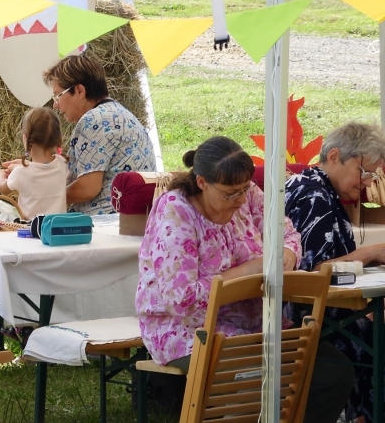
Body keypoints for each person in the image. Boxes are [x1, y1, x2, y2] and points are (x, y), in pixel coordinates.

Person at [136, 136, 353, 423]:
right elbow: (181, 298)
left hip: (255, 323)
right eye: (230, 194)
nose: (239, 200)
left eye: (243, 189)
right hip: (187, 330)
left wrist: (287, 255)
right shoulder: (176, 211)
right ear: (202, 182)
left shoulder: (247, 193)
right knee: (260, 374)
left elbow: (287, 233)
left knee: (332, 370)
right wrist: (249, 271)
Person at [285, 122, 385, 423]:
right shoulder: (314, 197)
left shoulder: (312, 186)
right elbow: (314, 272)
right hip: (311, 317)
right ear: (334, 156)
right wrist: (371, 252)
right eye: (363, 172)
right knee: (375, 342)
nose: (366, 183)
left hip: (324, 311)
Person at [41, 54, 155, 214]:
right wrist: (37, 167)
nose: (55, 105)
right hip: (129, 220)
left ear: (79, 91)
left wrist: (42, 195)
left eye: (58, 95)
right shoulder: (118, 114)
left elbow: (87, 189)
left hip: (106, 222)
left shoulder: (94, 119)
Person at [0, 107, 68, 219]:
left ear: (26, 138)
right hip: (57, 227)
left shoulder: (21, 172)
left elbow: (3, 189)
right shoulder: (62, 164)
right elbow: (42, 170)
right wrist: (25, 165)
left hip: (31, 228)